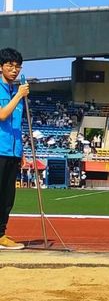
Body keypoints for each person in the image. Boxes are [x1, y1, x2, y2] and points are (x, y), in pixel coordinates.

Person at [0, 48, 29, 250]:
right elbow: (2, 115)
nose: (14, 69)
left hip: (13, 152)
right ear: (0, 67)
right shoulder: (12, 93)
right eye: (10, 65)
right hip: (0, 150)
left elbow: (17, 125)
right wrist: (19, 95)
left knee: (7, 197)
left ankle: (1, 234)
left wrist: (22, 151)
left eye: (18, 66)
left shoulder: (16, 92)